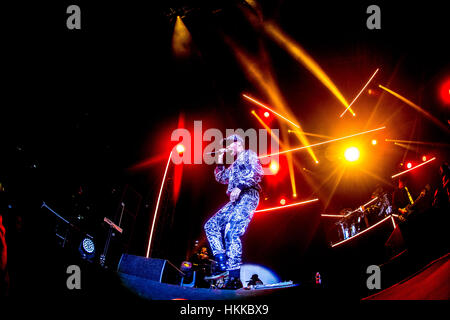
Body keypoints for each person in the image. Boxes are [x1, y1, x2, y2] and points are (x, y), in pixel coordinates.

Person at [204, 134, 263, 289]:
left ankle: (235, 277)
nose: (229, 147)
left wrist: (240, 187)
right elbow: (221, 178)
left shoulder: (249, 154)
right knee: (211, 225)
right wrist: (219, 159)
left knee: (231, 231)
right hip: (235, 201)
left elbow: (258, 173)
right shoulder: (234, 165)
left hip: (248, 195)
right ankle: (222, 264)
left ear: (238, 143)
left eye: (230, 144)